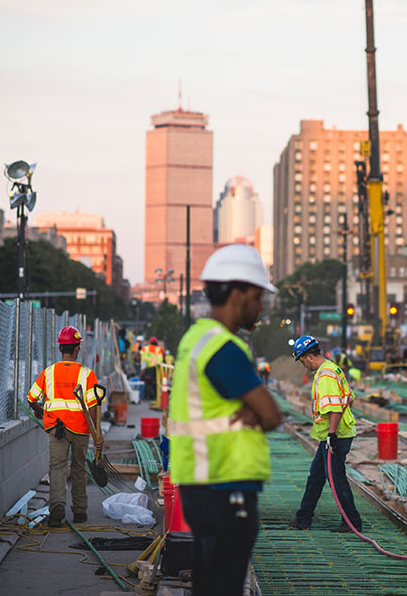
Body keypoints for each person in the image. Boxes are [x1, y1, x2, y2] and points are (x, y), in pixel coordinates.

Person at [169, 244, 283, 596]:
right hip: (224, 485)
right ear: (238, 293)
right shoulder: (223, 347)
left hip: (201, 483)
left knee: (208, 584)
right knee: (223, 586)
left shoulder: (195, 339)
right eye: (258, 296)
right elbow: (271, 414)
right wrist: (257, 412)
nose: (261, 306)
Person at [27, 326, 101, 527]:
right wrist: (97, 435)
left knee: (57, 468)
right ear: (76, 349)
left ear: (61, 349)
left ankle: (57, 507)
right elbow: (93, 408)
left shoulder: (48, 373)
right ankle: (80, 512)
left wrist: (40, 410)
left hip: (56, 429)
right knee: (79, 468)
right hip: (80, 429)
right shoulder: (87, 375)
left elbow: (31, 398)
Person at [288, 334, 363, 533]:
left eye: (302, 361)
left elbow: (335, 408)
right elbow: (349, 399)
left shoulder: (326, 374)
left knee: (336, 478)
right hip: (331, 436)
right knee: (316, 476)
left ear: (309, 357)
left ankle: (352, 522)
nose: (304, 365)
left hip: (335, 436)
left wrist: (331, 434)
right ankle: (304, 517)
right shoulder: (331, 369)